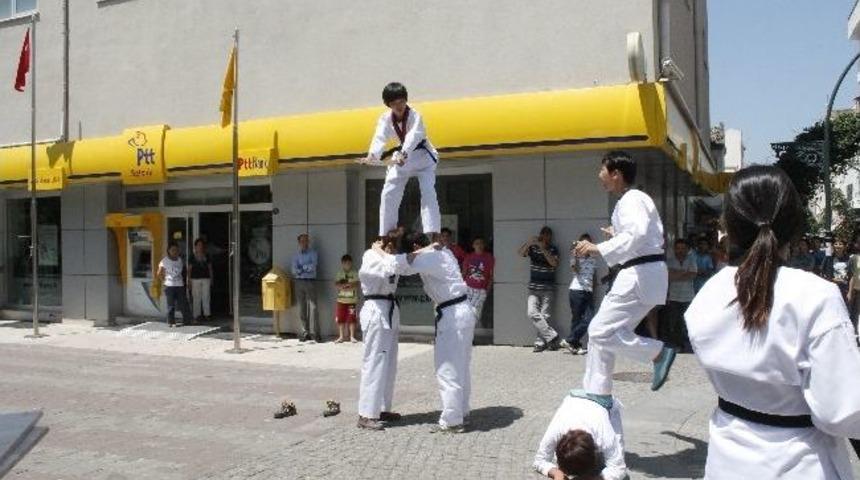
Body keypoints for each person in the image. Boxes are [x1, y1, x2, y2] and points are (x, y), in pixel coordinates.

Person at [685, 165, 860, 479]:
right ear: (793, 224)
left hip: (727, 460)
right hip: (801, 463)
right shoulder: (816, 295)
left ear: (729, 223)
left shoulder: (708, 293)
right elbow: (840, 412)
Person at [574, 151, 675, 404]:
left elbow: (637, 234)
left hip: (638, 275)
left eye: (602, 170)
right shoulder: (630, 200)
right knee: (605, 332)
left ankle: (657, 353)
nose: (599, 175)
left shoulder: (633, 198)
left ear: (616, 174)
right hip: (641, 273)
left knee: (599, 331)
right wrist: (615, 234)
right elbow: (638, 235)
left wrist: (598, 247)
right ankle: (598, 391)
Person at [375, 233, 476, 433]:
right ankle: (461, 411)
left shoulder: (430, 256)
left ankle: (452, 421)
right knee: (461, 366)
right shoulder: (444, 252)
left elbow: (399, 266)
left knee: (447, 368)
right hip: (462, 310)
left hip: (452, 314)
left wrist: (377, 250)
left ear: (416, 246)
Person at [360, 82, 440, 236]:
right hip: (403, 157)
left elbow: (413, 137)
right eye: (394, 103)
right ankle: (386, 234)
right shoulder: (385, 119)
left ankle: (432, 232)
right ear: (388, 104)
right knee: (389, 190)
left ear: (406, 100)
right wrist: (372, 155)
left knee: (428, 190)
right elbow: (380, 137)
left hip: (422, 157)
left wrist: (404, 153)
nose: (399, 106)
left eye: (401, 101)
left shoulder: (415, 116)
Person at [356, 237, 402, 431]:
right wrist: (380, 253)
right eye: (386, 244)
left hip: (390, 309)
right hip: (375, 309)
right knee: (374, 361)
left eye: (392, 245)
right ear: (378, 243)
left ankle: (382, 408)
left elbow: (399, 267)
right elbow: (380, 271)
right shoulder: (370, 255)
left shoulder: (392, 258)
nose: (390, 248)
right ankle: (366, 413)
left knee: (389, 363)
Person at [533, 392, 627, 480]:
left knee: (612, 458)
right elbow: (540, 460)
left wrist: (592, 478)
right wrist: (557, 473)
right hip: (573, 400)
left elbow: (619, 468)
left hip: (603, 404)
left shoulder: (604, 434)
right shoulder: (556, 429)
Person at [518, 227, 561, 352]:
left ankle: (540, 343)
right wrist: (529, 242)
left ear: (551, 237)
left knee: (544, 316)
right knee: (531, 313)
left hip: (548, 288)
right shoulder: (533, 248)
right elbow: (520, 253)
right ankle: (552, 336)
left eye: (548, 235)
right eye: (544, 234)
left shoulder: (553, 249)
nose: (546, 237)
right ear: (540, 235)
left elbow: (554, 263)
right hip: (534, 288)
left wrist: (543, 248)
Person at [560, 233, 598, 355]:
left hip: (588, 291)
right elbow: (575, 269)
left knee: (589, 318)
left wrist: (593, 290)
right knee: (576, 319)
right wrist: (575, 255)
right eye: (583, 243)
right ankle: (575, 346)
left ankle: (569, 341)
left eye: (588, 243)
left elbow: (593, 276)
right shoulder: (575, 256)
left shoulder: (593, 258)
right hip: (576, 290)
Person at [664, 238, 697, 352]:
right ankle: (678, 344)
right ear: (674, 249)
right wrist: (684, 272)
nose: (680, 250)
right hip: (673, 296)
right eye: (678, 248)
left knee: (687, 321)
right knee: (675, 322)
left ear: (687, 249)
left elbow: (693, 275)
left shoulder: (691, 259)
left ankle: (690, 343)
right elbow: (669, 277)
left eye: (683, 248)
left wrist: (676, 273)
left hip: (688, 296)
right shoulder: (670, 261)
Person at [291, 233, 319, 342]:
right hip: (299, 282)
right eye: (302, 241)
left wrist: (301, 269)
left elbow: (313, 267)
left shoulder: (313, 253)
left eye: (306, 241)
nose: (305, 243)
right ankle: (304, 333)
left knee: (313, 308)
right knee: (302, 308)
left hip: (310, 281)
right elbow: (294, 270)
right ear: (299, 242)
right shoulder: (296, 255)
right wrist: (304, 268)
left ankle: (315, 333)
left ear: (309, 242)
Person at [157, 242, 193, 327]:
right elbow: (159, 273)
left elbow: (183, 271)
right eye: (172, 250)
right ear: (168, 251)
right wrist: (164, 281)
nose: (175, 252)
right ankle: (171, 322)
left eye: (176, 250)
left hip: (179, 285)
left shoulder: (180, 260)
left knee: (183, 303)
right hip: (169, 286)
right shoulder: (164, 260)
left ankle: (187, 320)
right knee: (171, 305)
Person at [461, 237, 495, 321]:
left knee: (475, 314)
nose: (479, 245)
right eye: (477, 243)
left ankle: (471, 327)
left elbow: (491, 276)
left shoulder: (489, 257)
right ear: (473, 246)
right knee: (465, 311)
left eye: (481, 243)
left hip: (481, 289)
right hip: (468, 288)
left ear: (484, 245)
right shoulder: (469, 257)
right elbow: (464, 273)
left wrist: (487, 290)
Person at [334, 254, 359, 344]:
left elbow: (356, 284)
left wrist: (346, 285)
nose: (347, 265)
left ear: (351, 263)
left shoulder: (354, 273)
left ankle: (352, 336)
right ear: (342, 263)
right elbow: (337, 284)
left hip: (352, 301)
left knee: (352, 318)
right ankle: (341, 336)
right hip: (341, 301)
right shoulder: (339, 273)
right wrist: (345, 286)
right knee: (340, 319)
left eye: (349, 263)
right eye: (345, 263)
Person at [187, 238, 213, 323]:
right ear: (195, 247)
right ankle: (197, 315)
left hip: (206, 278)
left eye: (201, 245)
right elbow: (189, 269)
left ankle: (207, 314)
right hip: (195, 279)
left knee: (206, 296)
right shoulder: (192, 256)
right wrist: (189, 280)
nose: (200, 247)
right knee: (196, 297)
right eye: (198, 245)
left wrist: (211, 278)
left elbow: (210, 267)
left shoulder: (207, 256)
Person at [822, 238, 851, 302]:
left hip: (845, 288)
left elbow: (851, 275)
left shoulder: (848, 258)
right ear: (833, 246)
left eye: (840, 244)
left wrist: (850, 292)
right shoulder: (829, 258)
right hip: (832, 287)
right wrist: (832, 279)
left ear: (844, 247)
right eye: (836, 244)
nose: (838, 246)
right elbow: (823, 271)